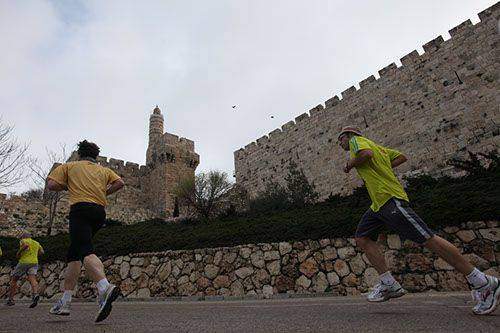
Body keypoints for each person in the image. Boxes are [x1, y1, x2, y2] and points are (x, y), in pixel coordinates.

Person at [337, 126, 499, 315]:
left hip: (390, 199)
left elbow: (366, 153)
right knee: (362, 238)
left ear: (348, 136)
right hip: (378, 205)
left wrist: (350, 164)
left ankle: (483, 282)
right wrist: (382, 169)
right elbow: (401, 157)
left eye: (340, 140)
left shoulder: (357, 142)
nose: (339, 144)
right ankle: (389, 283)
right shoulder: (381, 149)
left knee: (429, 239)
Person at [46, 140, 124, 322]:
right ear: (96, 156)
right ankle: (65, 301)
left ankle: (104, 288)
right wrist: (104, 193)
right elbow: (120, 183)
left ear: (79, 154)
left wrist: (68, 185)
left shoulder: (70, 166)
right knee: (74, 255)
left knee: (86, 250)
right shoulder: (103, 170)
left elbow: (51, 185)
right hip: (99, 213)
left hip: (80, 210)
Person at [5, 231, 44, 308]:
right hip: (34, 262)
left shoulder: (23, 241)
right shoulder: (36, 243)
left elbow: (25, 245)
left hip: (24, 262)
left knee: (14, 279)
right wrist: (35, 255)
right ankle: (35, 294)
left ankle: (11, 300)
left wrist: (19, 252)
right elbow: (42, 252)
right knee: (33, 279)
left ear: (23, 237)